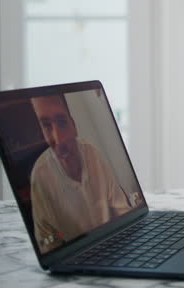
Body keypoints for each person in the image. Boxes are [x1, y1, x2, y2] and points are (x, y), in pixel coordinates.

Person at [29, 94, 132, 253]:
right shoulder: (40, 177)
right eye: (47, 126)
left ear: (73, 126)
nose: (59, 139)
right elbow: (48, 246)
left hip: (114, 245)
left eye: (62, 122)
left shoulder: (92, 153)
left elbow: (123, 210)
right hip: (77, 255)